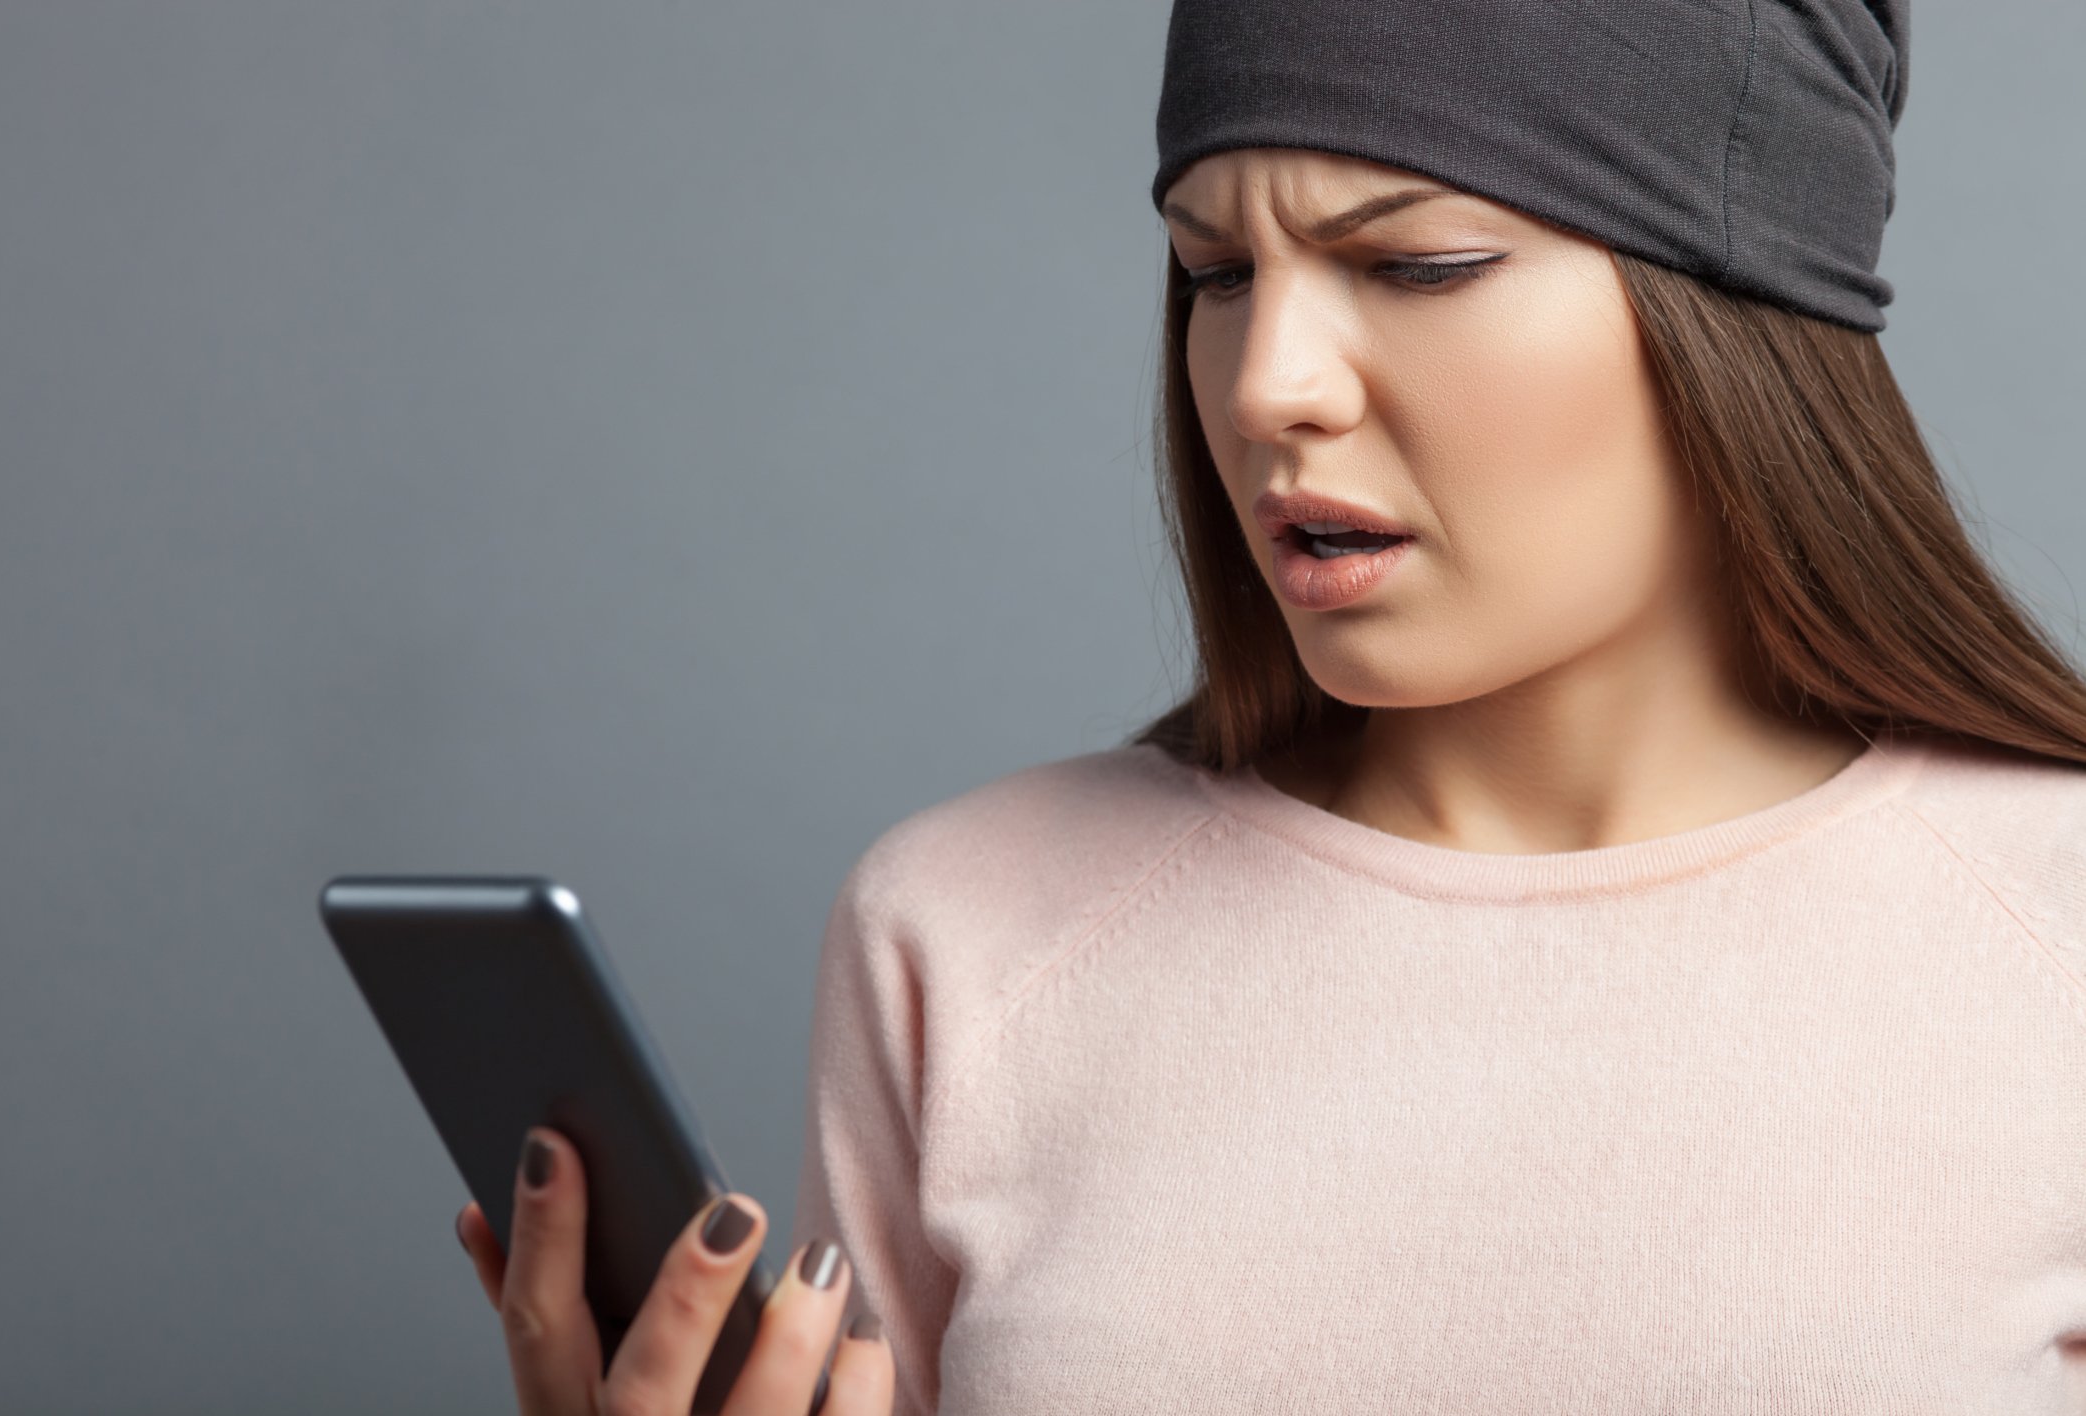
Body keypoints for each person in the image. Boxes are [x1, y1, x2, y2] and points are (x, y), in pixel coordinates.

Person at [460, 0, 2086, 1411]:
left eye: (1416, 264)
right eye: (1215, 271)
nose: (1264, 385)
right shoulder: (967, 930)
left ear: (1737, 313)